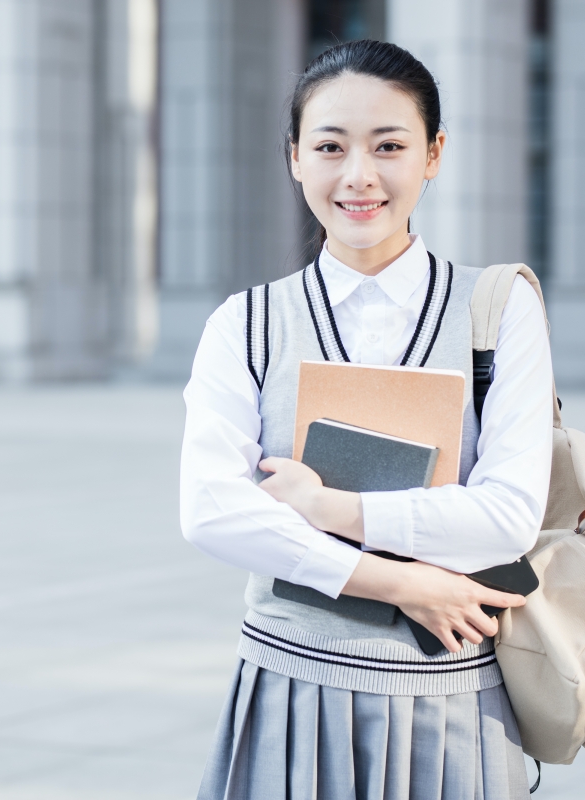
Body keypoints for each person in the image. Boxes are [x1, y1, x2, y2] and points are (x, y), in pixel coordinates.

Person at [180, 40, 554, 799]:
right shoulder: (246, 324)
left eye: (389, 146)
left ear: (434, 154)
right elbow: (211, 510)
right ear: (294, 158)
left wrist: (329, 509)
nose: (359, 176)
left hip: (448, 705)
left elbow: (509, 516)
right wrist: (397, 583)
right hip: (292, 686)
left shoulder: (497, 308)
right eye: (329, 146)